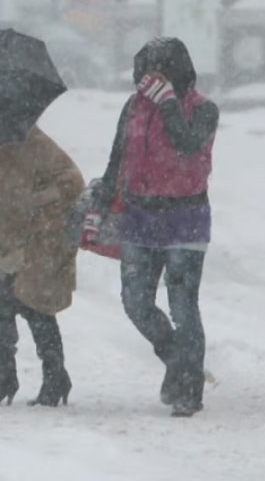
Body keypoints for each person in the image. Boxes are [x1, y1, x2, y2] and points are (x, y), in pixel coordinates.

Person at [86, 37, 218, 418]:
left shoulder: (204, 110)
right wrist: (101, 203)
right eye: (145, 72)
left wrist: (168, 104)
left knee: (183, 305)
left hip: (185, 219)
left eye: (159, 70)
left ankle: (189, 391)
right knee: (136, 302)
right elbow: (118, 159)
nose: (150, 79)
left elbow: (186, 145)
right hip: (139, 217)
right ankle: (180, 362)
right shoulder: (132, 107)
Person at [0, 126, 84, 408]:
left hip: (43, 234)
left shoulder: (10, 148)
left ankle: (53, 379)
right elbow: (6, 203)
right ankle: (4, 378)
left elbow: (17, 204)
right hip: (18, 232)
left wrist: (5, 241)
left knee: (34, 303)